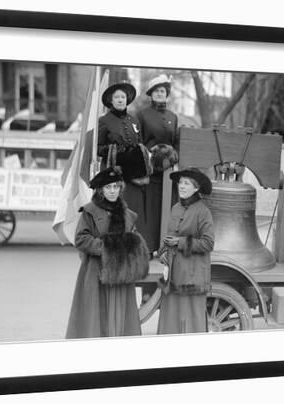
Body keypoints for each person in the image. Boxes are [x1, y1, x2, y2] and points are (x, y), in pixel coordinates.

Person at [66, 166, 150, 338]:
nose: (112, 191)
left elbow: (133, 238)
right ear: (101, 190)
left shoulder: (128, 214)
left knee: (121, 317)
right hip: (96, 272)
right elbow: (81, 239)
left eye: (116, 187)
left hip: (122, 275)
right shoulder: (89, 211)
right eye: (108, 187)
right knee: (97, 316)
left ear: (120, 189)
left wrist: (133, 245)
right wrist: (108, 248)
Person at [157, 167, 214, 334]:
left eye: (186, 183)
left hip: (192, 275)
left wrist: (180, 242)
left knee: (191, 317)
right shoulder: (175, 208)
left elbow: (208, 243)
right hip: (174, 273)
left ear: (196, 188)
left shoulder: (203, 211)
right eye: (180, 182)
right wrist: (163, 252)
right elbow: (170, 236)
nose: (181, 186)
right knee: (171, 316)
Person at [97, 82, 153, 246]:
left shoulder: (134, 120)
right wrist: (115, 151)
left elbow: (140, 144)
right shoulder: (104, 121)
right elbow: (98, 148)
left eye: (123, 97)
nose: (120, 100)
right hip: (114, 176)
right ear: (111, 101)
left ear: (127, 100)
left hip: (134, 177)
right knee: (115, 213)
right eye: (117, 97)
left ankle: (133, 245)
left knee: (132, 211)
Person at [137, 74, 179, 254]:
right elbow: (139, 141)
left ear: (167, 94)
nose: (160, 94)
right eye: (157, 91)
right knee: (151, 210)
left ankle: (165, 248)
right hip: (151, 170)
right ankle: (149, 247)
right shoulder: (142, 115)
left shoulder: (173, 116)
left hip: (168, 172)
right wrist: (150, 156)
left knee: (168, 209)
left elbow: (176, 141)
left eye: (163, 91)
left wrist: (174, 156)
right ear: (151, 94)